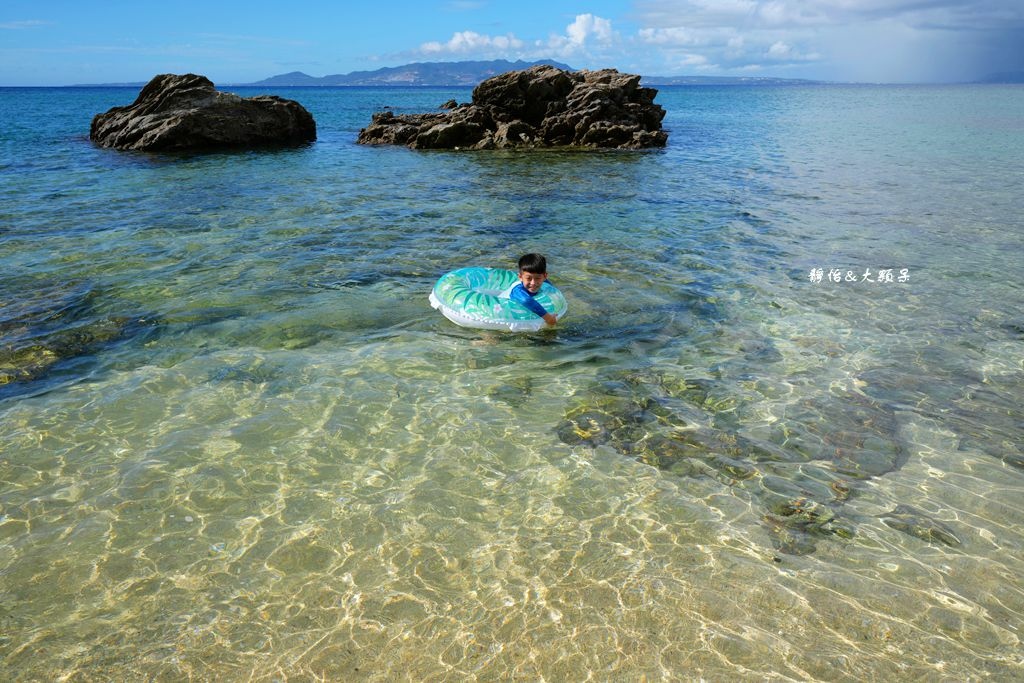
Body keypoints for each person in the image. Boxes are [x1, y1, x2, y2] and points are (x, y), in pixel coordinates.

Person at [507, 253, 558, 326]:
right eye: (528, 278)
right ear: (520, 277)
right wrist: (548, 318)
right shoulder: (517, 291)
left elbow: (551, 289)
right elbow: (526, 300)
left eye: (538, 278)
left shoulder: (545, 283)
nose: (533, 283)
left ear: (545, 276)